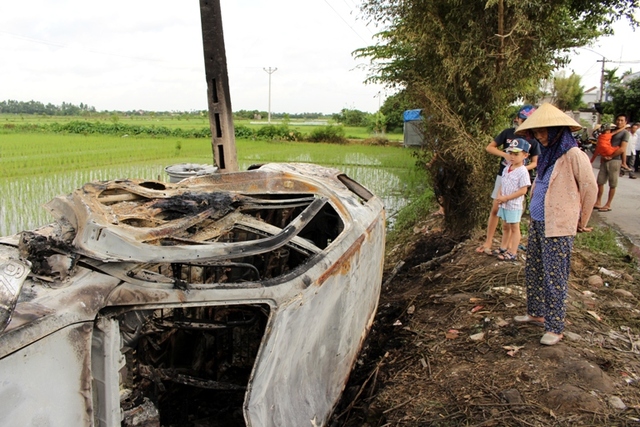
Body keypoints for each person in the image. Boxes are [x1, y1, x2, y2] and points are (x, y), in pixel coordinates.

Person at [511, 103, 597, 346]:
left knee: (554, 276)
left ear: (558, 130)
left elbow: (590, 188)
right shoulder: (548, 156)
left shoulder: (573, 155)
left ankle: (555, 326)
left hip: (558, 226)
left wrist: (581, 220)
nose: (539, 137)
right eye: (536, 133)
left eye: (544, 132)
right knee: (535, 270)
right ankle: (536, 313)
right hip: (539, 223)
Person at [475, 105, 540, 255]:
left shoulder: (534, 140)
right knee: (496, 208)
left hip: (518, 180)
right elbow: (490, 147)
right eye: (522, 120)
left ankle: (510, 247)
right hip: (503, 177)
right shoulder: (508, 133)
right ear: (517, 119)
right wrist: (505, 156)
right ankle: (489, 241)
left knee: (513, 214)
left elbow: (535, 162)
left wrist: (520, 170)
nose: (524, 123)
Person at [494, 138, 532, 261]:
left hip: (513, 205)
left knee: (514, 228)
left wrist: (506, 198)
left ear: (525, 155)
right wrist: (499, 196)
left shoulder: (523, 172)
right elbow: (502, 183)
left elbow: (523, 190)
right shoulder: (507, 168)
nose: (512, 157)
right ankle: (503, 247)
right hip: (503, 204)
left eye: (516, 154)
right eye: (511, 153)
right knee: (505, 226)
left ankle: (513, 251)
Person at [594, 114, 630, 212]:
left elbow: (623, 148)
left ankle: (608, 204)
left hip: (615, 160)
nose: (619, 122)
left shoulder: (625, 133)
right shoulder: (611, 131)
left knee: (612, 183)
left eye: (622, 120)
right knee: (600, 182)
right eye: (618, 120)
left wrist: (612, 157)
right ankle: (598, 201)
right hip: (605, 159)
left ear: (625, 122)